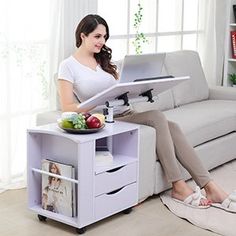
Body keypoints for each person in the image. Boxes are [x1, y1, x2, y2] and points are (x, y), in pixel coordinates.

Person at [57, 14, 236, 211]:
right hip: (107, 120)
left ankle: (210, 187)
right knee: (157, 116)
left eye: (105, 37)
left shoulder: (103, 62)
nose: (102, 42)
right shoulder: (68, 66)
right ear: (83, 36)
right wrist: (98, 100)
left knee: (172, 127)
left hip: (126, 112)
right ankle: (178, 185)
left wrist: (137, 88)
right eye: (97, 36)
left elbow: (121, 89)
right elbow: (67, 107)